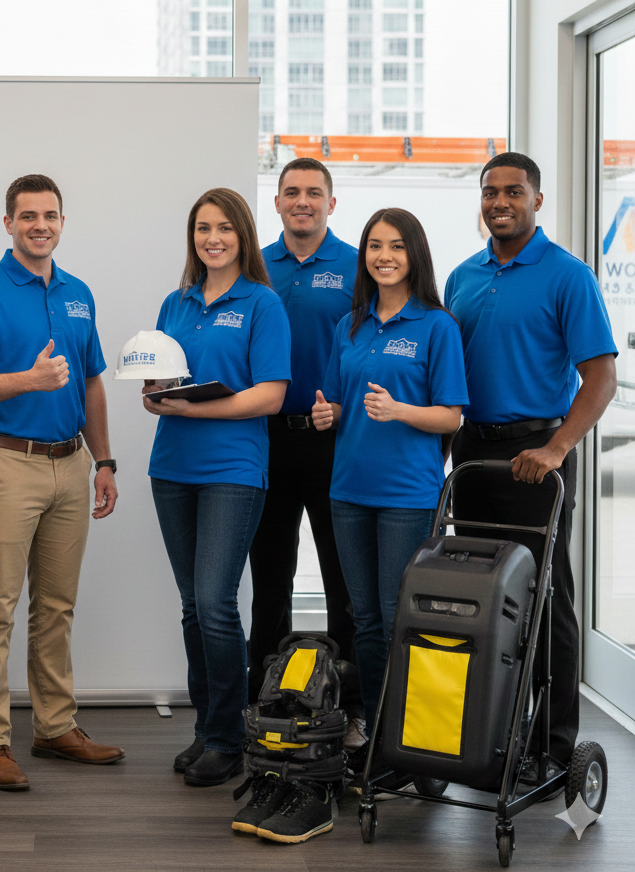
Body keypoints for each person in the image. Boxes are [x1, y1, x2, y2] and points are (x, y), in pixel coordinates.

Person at [0, 173, 122, 790]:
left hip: (71, 463)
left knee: (56, 606)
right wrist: (28, 379)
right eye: (27, 216)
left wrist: (103, 460)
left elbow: (92, 381)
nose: (39, 225)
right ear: (9, 224)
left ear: (62, 222)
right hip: (5, 464)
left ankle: (55, 727)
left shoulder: (78, 294)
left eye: (50, 215)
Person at [444, 152, 616, 774]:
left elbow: (600, 377)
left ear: (537, 200)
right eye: (490, 192)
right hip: (473, 457)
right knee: (481, 599)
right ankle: (487, 732)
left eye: (513, 191)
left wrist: (557, 448)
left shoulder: (568, 276)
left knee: (546, 600)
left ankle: (552, 744)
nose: (499, 202)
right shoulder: (463, 276)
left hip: (535, 457)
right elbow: (447, 378)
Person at [142, 187, 291, 787]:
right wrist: (154, 394)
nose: (213, 238)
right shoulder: (175, 303)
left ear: (243, 235)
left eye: (225, 228)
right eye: (203, 228)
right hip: (172, 468)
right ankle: (206, 728)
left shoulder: (262, 304)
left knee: (215, 603)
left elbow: (271, 395)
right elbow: (156, 381)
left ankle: (231, 738)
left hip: (233, 469)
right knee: (190, 608)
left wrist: (192, 410)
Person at [312, 208, 468, 754]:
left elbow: (451, 417)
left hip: (407, 495)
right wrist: (325, 414)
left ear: (414, 255)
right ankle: (379, 733)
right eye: (375, 246)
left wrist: (401, 410)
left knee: (402, 617)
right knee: (366, 620)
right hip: (348, 491)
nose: (384, 256)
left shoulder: (436, 326)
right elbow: (332, 401)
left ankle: (412, 738)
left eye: (396, 246)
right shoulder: (349, 325)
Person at [248, 157, 360, 721]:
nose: (302, 201)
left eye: (314, 192)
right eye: (291, 192)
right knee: (270, 582)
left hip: (332, 444)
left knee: (344, 582)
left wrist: (344, 407)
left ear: (331, 204)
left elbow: (375, 349)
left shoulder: (359, 267)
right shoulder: (254, 267)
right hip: (264, 440)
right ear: (277, 203)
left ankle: (348, 709)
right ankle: (265, 705)